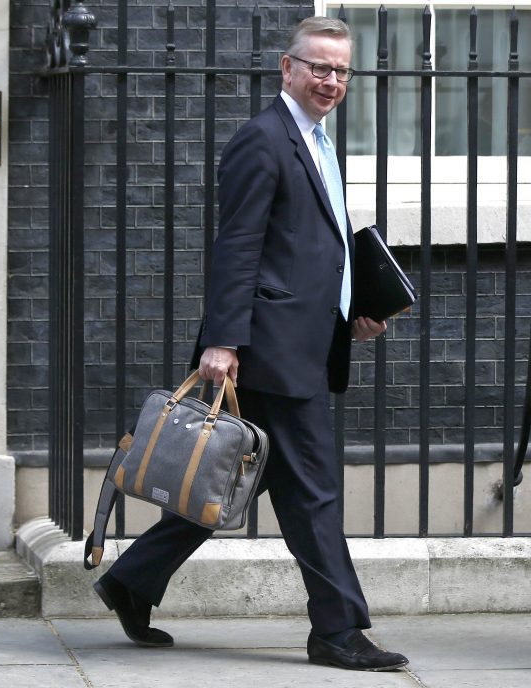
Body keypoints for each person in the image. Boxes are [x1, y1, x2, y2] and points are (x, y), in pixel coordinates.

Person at [92, 16, 409, 672]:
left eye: (340, 70)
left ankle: (130, 581)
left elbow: (300, 252)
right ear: (286, 68)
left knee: (231, 479)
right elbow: (237, 248)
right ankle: (338, 632)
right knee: (313, 492)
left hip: (303, 342)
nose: (329, 80)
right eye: (318, 67)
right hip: (267, 353)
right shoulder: (263, 140)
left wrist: (349, 312)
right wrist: (224, 341)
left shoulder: (316, 141)